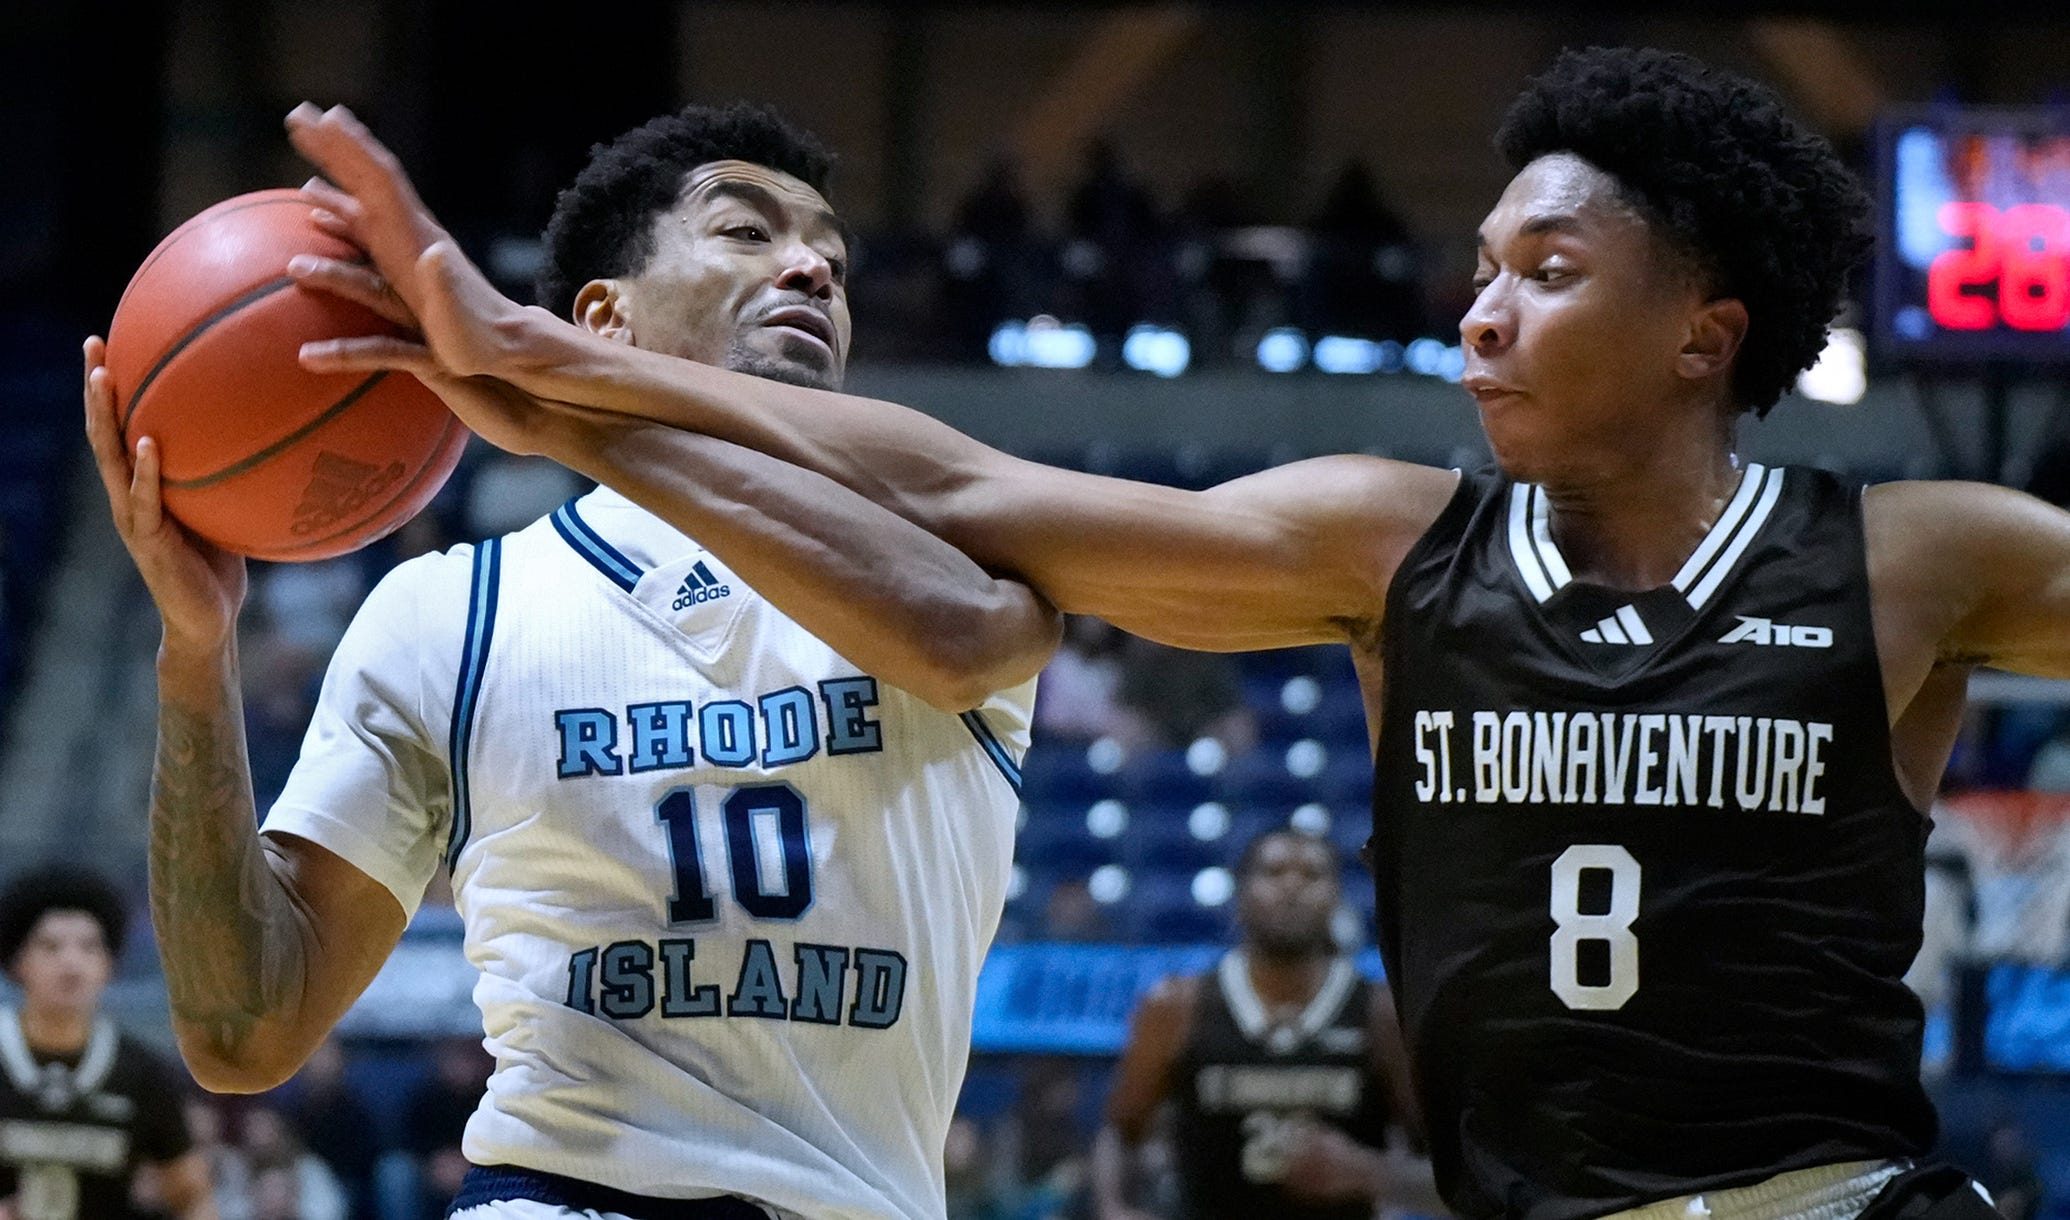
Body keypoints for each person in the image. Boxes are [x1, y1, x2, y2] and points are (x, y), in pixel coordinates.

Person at [283, 45, 2070, 1220]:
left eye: (1545, 273)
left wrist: (559, 380)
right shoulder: (1394, 545)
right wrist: (550, 368)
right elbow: (968, 485)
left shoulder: (1922, 560)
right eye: (1480, 272)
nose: (1481, 317)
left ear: (1705, 330)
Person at [83, 101, 1061, 1220]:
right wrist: (195, 655)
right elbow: (242, 1028)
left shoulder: (955, 567)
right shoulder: (455, 609)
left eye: (832, 257)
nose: (811, 268)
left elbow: (959, 638)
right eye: (747, 232)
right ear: (604, 319)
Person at [1091, 830, 1434, 1220]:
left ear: (1336, 897)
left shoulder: (1380, 1013)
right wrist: (1113, 1207)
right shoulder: (1176, 1006)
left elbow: (1449, 1176)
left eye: (1311, 874)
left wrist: (1371, 1173)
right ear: (1241, 894)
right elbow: (1120, 1132)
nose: (1292, 885)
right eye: (1274, 872)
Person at [0, 866, 215, 1220]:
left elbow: (191, 1195)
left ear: (108, 964)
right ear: (16, 961)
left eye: (88, 947)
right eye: (50, 946)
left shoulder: (144, 1073)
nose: (71, 964)